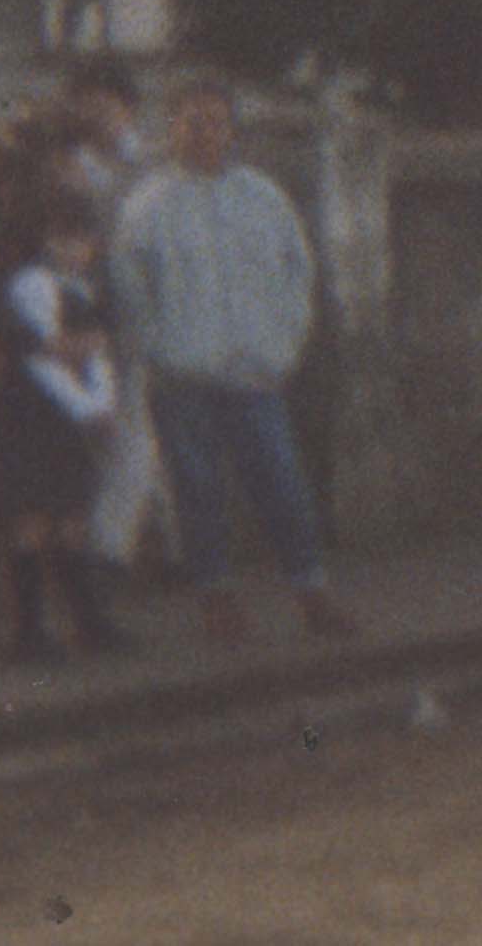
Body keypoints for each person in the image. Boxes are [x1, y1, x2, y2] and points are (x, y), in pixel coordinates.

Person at [110, 74, 356, 649]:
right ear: (171, 128)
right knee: (197, 492)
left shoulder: (262, 198)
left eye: (216, 122)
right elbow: (129, 290)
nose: (204, 134)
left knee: (282, 483)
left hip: (254, 373)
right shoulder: (148, 206)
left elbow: (299, 272)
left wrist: (284, 343)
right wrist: (159, 350)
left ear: (232, 131)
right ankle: (216, 602)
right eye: (191, 122)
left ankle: (312, 594)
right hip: (182, 376)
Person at [0, 189, 132, 661]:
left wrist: (103, 404)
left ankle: (88, 620)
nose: (75, 248)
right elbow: (43, 357)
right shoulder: (34, 284)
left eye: (84, 239)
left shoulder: (85, 289)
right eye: (65, 238)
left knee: (73, 517)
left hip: (71, 417)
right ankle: (28, 631)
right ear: (49, 239)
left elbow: (98, 357)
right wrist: (85, 408)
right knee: (34, 519)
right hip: (35, 415)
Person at [54, 58, 177, 577]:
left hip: (141, 312)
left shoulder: (150, 166)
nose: (99, 119)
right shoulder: (68, 168)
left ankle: (110, 550)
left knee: (132, 426)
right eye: (88, 108)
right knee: (124, 429)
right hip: (86, 307)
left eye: (109, 108)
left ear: (128, 110)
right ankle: (173, 546)